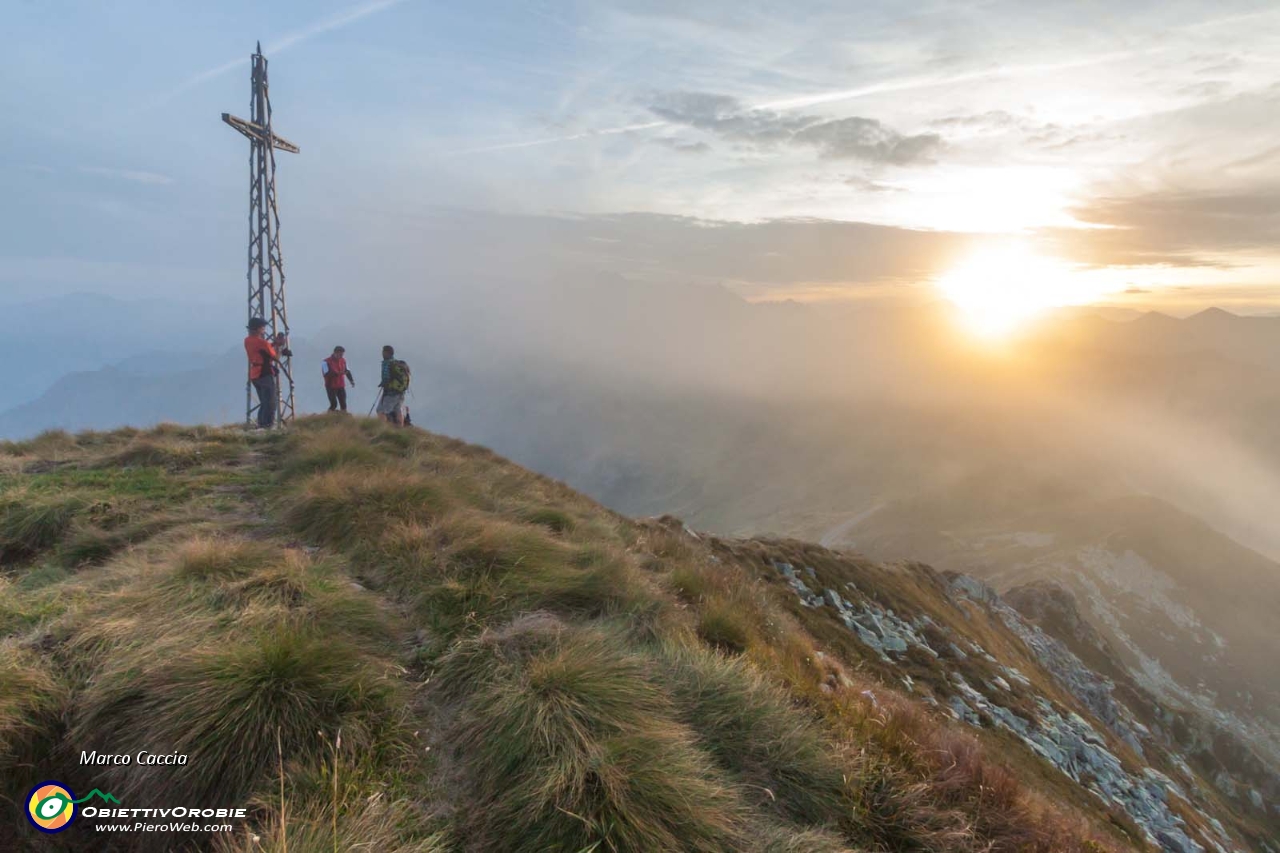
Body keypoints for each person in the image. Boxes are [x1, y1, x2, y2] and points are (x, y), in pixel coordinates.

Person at [244, 318, 280, 428]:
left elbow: (261, 351)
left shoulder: (247, 340)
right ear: (257, 329)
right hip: (264, 374)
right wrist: (280, 348)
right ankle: (267, 425)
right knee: (271, 402)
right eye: (262, 327)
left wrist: (272, 344)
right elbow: (275, 357)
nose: (264, 329)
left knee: (264, 402)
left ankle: (261, 424)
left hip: (255, 374)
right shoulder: (262, 343)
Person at [377, 345, 411, 427]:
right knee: (398, 411)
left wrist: (383, 384)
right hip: (401, 392)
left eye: (383, 352)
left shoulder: (387, 363)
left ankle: (382, 430)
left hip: (391, 393)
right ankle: (400, 429)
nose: (382, 353)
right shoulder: (396, 363)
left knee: (381, 411)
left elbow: (386, 378)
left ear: (386, 353)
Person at [322, 346, 355, 413]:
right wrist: (338, 373)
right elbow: (326, 374)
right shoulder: (325, 362)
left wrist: (351, 380)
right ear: (335, 353)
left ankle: (343, 419)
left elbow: (347, 371)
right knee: (334, 404)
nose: (341, 356)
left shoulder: (343, 360)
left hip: (341, 385)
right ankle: (328, 416)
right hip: (330, 386)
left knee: (343, 404)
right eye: (340, 354)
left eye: (342, 355)